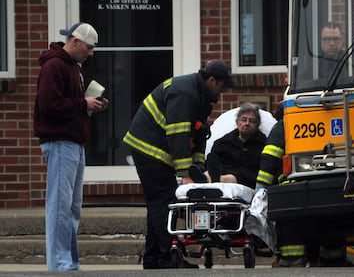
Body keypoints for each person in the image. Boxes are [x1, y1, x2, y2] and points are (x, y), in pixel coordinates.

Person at [123, 59, 235, 269]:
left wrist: (198, 168)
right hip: (149, 149)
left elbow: (199, 135)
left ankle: (153, 258)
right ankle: (167, 259)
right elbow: (178, 135)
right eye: (222, 87)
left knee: (159, 205)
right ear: (212, 80)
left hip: (157, 150)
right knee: (164, 203)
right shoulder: (186, 94)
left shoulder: (199, 96)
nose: (222, 94)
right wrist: (185, 173)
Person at [33, 22, 109, 271]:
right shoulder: (54, 66)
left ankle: (68, 262)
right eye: (88, 47)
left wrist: (88, 104)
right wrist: (82, 103)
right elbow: (49, 105)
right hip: (60, 142)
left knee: (71, 207)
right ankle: (59, 265)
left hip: (72, 142)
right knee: (59, 207)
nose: (90, 53)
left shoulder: (72, 67)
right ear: (75, 41)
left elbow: (65, 105)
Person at [256, 103, 348, 267]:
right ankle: (333, 258)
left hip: (293, 186)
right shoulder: (325, 120)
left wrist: (261, 186)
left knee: (289, 223)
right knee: (330, 220)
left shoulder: (283, 126)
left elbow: (270, 157)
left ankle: (292, 260)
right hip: (329, 182)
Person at [197, 102, 266, 189]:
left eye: (252, 121)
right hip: (222, 173)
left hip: (246, 181)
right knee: (208, 172)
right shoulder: (222, 143)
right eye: (244, 120)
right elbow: (212, 164)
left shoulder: (263, 145)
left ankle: (207, 180)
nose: (247, 124)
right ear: (237, 122)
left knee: (231, 178)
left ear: (257, 125)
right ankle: (204, 178)